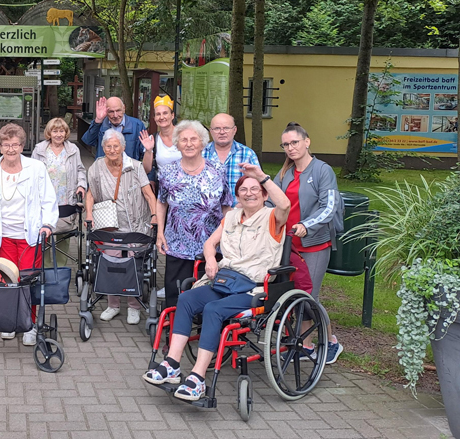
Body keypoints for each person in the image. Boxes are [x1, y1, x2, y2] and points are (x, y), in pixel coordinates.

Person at [143, 165, 290, 401]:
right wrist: (210, 259)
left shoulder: (272, 218)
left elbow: (284, 205)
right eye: (244, 189)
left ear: (264, 195)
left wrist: (262, 177)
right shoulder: (230, 217)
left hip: (252, 287)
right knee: (186, 298)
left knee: (213, 310)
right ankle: (172, 364)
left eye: (255, 189)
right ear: (238, 195)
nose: (249, 193)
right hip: (224, 281)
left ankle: (198, 378)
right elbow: (209, 244)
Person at [0, 123, 57, 346]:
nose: (11, 149)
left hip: (30, 236)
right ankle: (8, 321)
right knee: (8, 280)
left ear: (22, 146)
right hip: (3, 235)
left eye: (15, 144)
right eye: (6, 145)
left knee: (27, 279)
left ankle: (30, 323)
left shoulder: (36, 168)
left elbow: (48, 198)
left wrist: (47, 223)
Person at [273, 122, 343, 364]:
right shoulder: (285, 173)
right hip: (288, 244)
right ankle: (317, 342)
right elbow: (273, 202)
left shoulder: (323, 171)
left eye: (294, 142)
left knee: (308, 296)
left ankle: (321, 343)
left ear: (307, 141)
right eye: (286, 144)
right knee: (295, 295)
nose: (290, 148)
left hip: (313, 245)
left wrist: (307, 225)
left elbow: (330, 206)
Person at [156, 120, 233, 308]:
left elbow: (227, 206)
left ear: (202, 143)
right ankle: (173, 331)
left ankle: (204, 332)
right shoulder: (168, 171)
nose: (189, 144)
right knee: (174, 292)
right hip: (177, 243)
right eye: (183, 140)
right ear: (177, 144)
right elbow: (161, 202)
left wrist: (227, 235)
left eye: (193, 139)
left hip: (210, 244)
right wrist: (160, 232)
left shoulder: (217, 170)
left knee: (207, 293)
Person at [84, 129, 157, 324]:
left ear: (123, 147)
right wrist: (89, 214)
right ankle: (113, 305)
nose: (112, 149)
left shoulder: (135, 166)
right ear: (103, 147)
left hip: (134, 225)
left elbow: (148, 194)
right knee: (111, 262)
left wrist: (155, 214)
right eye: (108, 146)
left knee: (132, 264)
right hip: (109, 226)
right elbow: (90, 194)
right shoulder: (97, 167)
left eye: (116, 146)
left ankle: (134, 306)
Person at [31, 118, 87, 264]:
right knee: (45, 238)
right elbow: (31, 172)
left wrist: (81, 185)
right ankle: (46, 270)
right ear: (49, 133)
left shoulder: (73, 150)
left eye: (61, 131)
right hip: (44, 201)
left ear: (66, 132)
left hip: (66, 200)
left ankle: (60, 270)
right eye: (55, 131)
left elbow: (81, 169)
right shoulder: (40, 149)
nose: (58, 134)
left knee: (64, 238)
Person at [201, 113, 260, 204]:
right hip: (207, 213)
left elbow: (258, 186)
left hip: (239, 212)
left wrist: (240, 209)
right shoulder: (201, 154)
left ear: (234, 130)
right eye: (217, 128)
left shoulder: (247, 154)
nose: (222, 132)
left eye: (226, 128)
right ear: (211, 131)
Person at [82, 96, 146, 160]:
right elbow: (88, 141)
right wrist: (98, 120)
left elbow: (144, 151)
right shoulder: (100, 124)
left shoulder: (137, 125)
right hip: (105, 168)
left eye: (118, 110)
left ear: (124, 108)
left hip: (129, 168)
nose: (115, 115)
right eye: (111, 112)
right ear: (106, 112)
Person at [140, 95, 181, 187]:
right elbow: (146, 170)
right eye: (158, 114)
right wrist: (148, 150)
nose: (161, 117)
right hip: (163, 190)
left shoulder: (184, 136)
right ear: (154, 118)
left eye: (165, 113)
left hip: (185, 188)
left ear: (172, 115)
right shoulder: (152, 139)